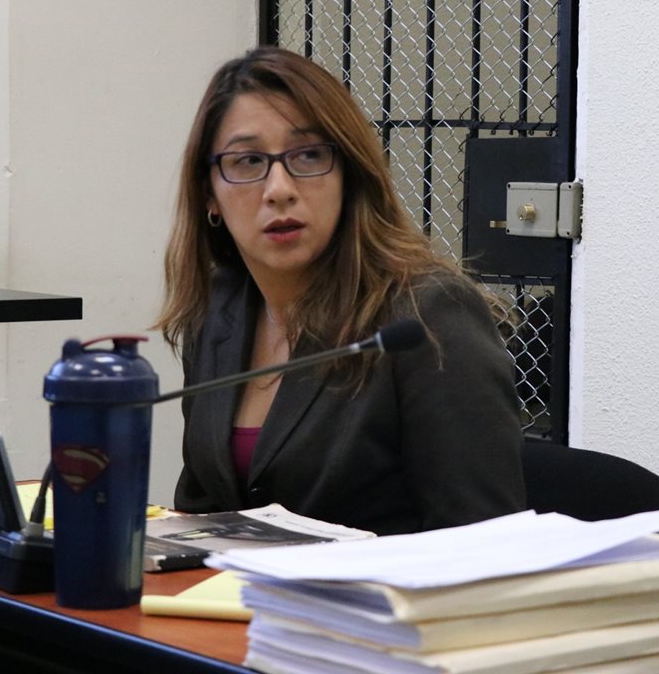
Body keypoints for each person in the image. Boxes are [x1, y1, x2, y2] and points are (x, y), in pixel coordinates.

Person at [154, 46, 525, 535]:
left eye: (308, 155)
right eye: (247, 161)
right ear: (209, 194)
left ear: (348, 173)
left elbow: (485, 542)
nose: (279, 188)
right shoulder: (217, 313)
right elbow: (203, 512)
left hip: (381, 607)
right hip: (241, 606)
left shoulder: (427, 315)